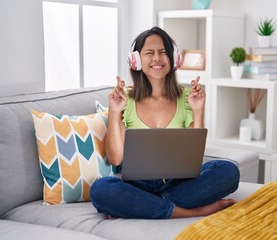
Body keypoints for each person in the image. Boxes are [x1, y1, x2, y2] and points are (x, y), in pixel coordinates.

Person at [90, 26, 240, 219]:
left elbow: (193, 157)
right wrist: (115, 112)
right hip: (138, 184)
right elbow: (116, 159)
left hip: (178, 182)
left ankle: (142, 205)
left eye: (163, 52)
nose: (157, 58)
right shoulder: (124, 98)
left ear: (174, 59)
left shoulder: (187, 97)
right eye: (149, 53)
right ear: (135, 61)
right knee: (101, 189)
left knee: (228, 171)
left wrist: (198, 110)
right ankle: (191, 211)